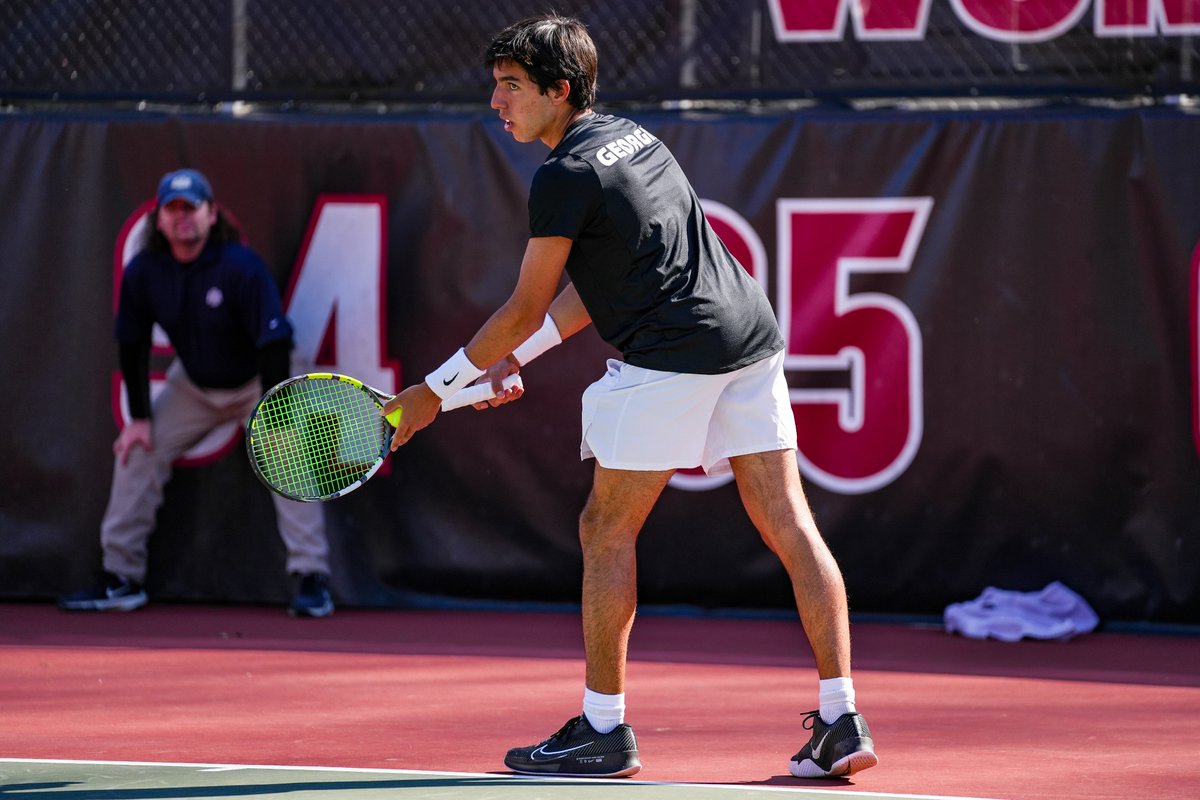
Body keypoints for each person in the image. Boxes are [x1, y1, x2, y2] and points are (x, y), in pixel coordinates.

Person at [382, 15, 877, 780]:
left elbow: (522, 305)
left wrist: (427, 394)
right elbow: (586, 294)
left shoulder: (562, 176)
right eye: (496, 84)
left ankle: (603, 730)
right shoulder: (634, 138)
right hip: (749, 336)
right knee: (788, 522)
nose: (496, 101)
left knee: (604, 528)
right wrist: (513, 360)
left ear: (559, 91)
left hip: (675, 354)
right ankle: (843, 720)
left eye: (512, 86)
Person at [59, 168, 335, 618]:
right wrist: (142, 420)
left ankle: (312, 577)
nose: (182, 218)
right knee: (136, 449)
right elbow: (132, 343)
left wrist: (277, 414)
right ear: (160, 219)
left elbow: (274, 342)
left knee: (291, 456)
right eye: (173, 209)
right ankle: (120, 577)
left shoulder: (240, 267)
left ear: (212, 215)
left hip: (260, 379)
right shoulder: (145, 272)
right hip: (195, 384)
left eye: (192, 208)